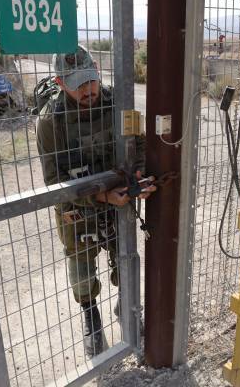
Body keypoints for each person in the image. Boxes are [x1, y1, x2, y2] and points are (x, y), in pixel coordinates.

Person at [36, 45, 155, 357]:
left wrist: (138, 176)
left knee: (125, 255)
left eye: (90, 80)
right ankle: (91, 315)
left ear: (98, 72)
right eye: (78, 85)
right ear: (60, 83)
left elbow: (140, 144)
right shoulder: (51, 122)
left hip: (118, 197)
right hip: (78, 206)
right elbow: (53, 181)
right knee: (81, 264)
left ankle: (127, 307)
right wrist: (100, 195)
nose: (88, 90)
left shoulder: (118, 103)